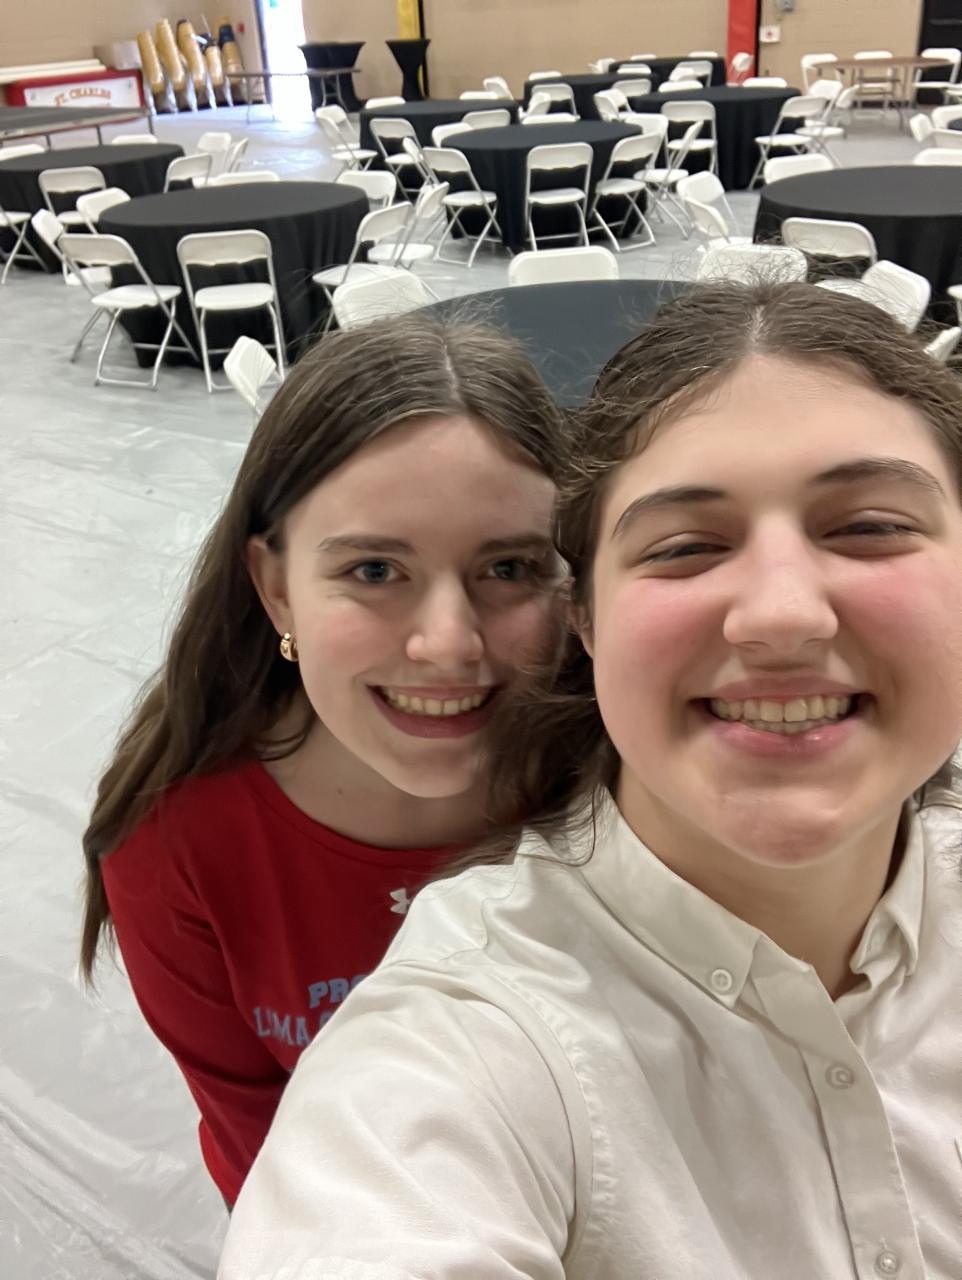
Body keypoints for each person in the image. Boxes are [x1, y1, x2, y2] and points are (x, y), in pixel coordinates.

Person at [219, 282, 962, 1280]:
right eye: (685, 546)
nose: (782, 614)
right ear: (587, 620)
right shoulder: (468, 1036)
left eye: (868, 527)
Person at [80, 314, 567, 1208]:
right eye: (376, 571)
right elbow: (268, 1151)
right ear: (276, 589)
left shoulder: (619, 777)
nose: (447, 644)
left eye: (508, 569)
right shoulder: (174, 848)